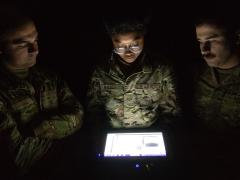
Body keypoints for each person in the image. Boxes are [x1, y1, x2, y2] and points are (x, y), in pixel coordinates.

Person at [85, 12, 181, 180]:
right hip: (113, 141)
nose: (128, 51)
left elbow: (171, 111)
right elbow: (94, 109)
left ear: (143, 38)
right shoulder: (100, 70)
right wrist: (101, 140)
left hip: (151, 139)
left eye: (135, 44)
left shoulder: (161, 68)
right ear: (112, 41)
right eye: (119, 45)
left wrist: (162, 143)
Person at [0, 10, 84, 179]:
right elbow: (18, 157)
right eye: (22, 44)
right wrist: (62, 133)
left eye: (36, 40)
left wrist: (37, 129)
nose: (35, 49)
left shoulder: (48, 76)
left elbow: (78, 115)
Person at [192, 14, 240, 179]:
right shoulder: (196, 72)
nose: (204, 49)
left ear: (236, 37)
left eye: (212, 40)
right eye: (200, 41)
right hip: (196, 161)